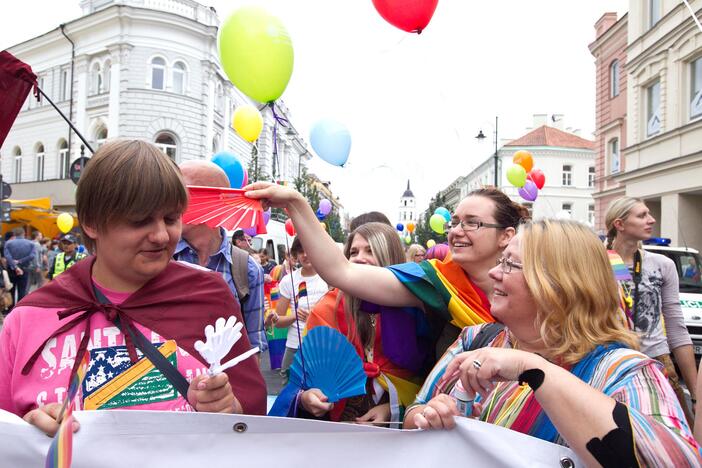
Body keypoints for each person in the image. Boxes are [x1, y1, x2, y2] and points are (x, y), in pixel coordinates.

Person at [0, 140, 266, 437]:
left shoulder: (207, 296)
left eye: (171, 218)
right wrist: (27, 432)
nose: (161, 235)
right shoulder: (28, 319)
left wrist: (228, 407)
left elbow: (251, 411)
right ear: (91, 222)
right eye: (140, 221)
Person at [403, 219, 701, 466]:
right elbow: (413, 414)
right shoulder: (476, 339)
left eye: (510, 264)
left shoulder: (624, 371)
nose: (494, 272)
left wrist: (532, 369)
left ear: (558, 285)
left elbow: (674, 462)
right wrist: (430, 416)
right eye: (500, 261)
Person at [245, 183, 527, 359]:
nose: (456, 232)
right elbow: (341, 272)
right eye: (455, 222)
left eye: (472, 223)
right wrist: (296, 203)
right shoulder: (435, 280)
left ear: (506, 236)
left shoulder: (535, 285)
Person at [291, 222, 428, 426]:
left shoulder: (416, 309)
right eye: (353, 252)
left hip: (397, 438)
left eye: (370, 250)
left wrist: (394, 408)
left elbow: (433, 383)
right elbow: (298, 382)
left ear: (389, 256)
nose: (359, 258)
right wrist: (305, 398)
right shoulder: (326, 310)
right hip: (338, 433)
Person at [605, 197, 697, 425]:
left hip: (658, 362)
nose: (651, 220)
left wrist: (696, 393)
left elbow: (676, 327)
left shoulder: (663, 265)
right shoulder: (598, 262)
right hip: (612, 362)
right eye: (642, 215)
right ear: (620, 224)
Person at [174, 160, 267, 356]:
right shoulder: (158, 256)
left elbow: (253, 346)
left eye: (181, 194)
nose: (171, 204)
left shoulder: (247, 269)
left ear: (214, 202)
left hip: (224, 382)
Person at [266, 236, 329, 384]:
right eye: (301, 251)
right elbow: (279, 322)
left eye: (309, 250)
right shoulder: (289, 281)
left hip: (321, 345)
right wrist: (293, 316)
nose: (305, 255)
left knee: (319, 389)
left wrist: (315, 316)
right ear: (295, 254)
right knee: (288, 388)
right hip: (294, 345)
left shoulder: (329, 278)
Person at [3, 227, 37, 304]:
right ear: (24, 233)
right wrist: (20, 261)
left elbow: (7, 256)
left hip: (11, 269)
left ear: (14, 234)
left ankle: (10, 309)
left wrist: (15, 265)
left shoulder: (8, 243)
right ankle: (19, 308)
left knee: (11, 290)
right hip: (24, 269)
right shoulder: (31, 244)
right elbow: (32, 256)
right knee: (22, 290)